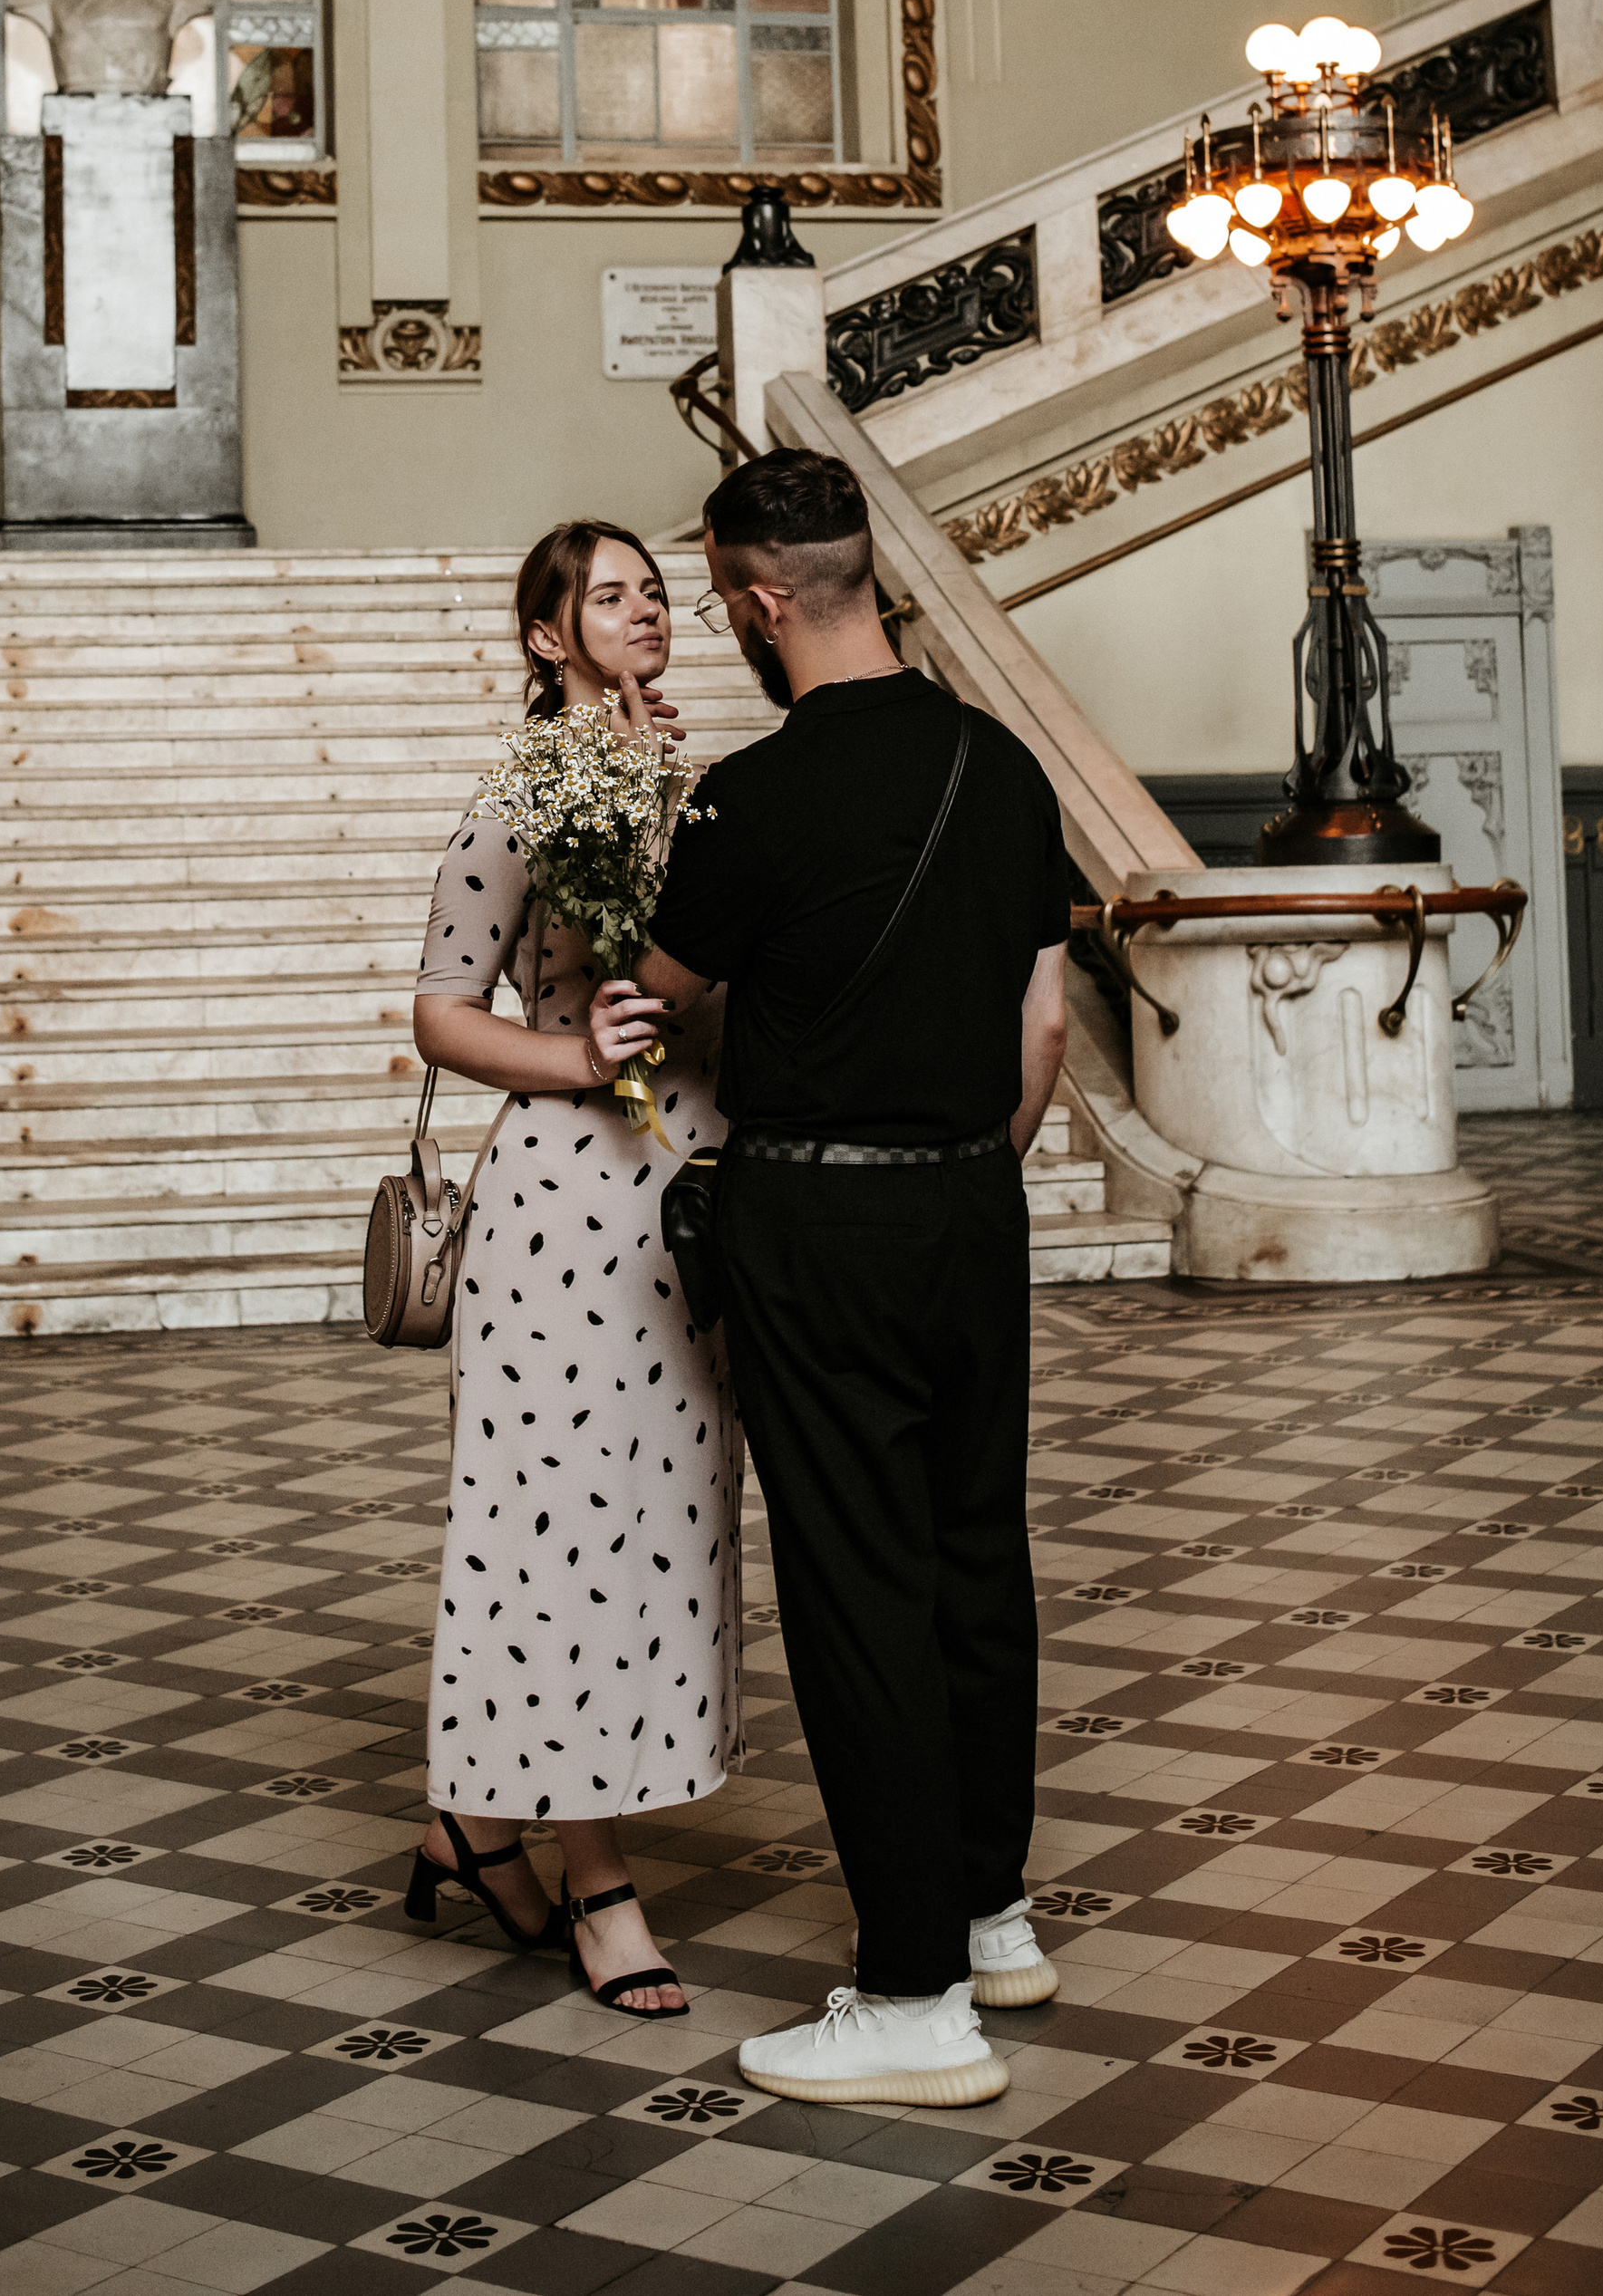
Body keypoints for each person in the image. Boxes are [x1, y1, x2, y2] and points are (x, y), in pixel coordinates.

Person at [634, 449, 1072, 2108]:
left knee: (858, 1586)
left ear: (757, 600)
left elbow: (661, 996)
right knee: (976, 1559)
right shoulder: (1002, 763)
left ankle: (910, 1998)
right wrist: (966, 1173)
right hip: (974, 1206)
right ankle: (991, 1911)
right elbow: (1040, 1025)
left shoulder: (757, 796)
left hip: (824, 1219)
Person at [406, 522, 742, 2021]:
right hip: (558, 1209)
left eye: (656, 592)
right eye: (610, 596)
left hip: (691, 1185)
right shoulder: (525, 795)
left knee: (666, 1522)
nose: (647, 610)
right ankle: (595, 1877)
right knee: (557, 1536)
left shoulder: (693, 786)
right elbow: (437, 1011)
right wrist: (570, 1053)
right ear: (549, 636)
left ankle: (475, 1826)